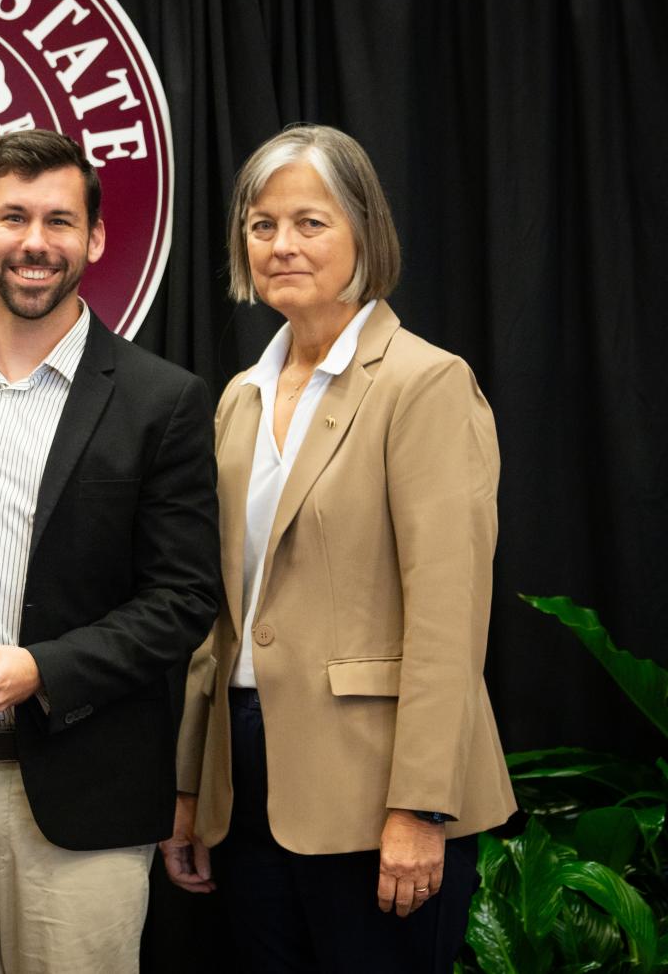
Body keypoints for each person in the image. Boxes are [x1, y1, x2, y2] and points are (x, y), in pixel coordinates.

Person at [0, 129, 222, 973]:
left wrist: (43, 671)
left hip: (81, 796)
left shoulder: (160, 399)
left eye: (60, 221)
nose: (35, 242)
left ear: (95, 239)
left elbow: (182, 598)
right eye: (13, 217)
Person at [160, 124, 516, 971]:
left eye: (310, 222)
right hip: (247, 789)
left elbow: (447, 615)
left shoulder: (423, 382)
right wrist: (190, 789)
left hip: (377, 793)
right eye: (261, 224)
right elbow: (222, 617)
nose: (281, 244)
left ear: (365, 231)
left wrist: (422, 806)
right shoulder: (239, 400)